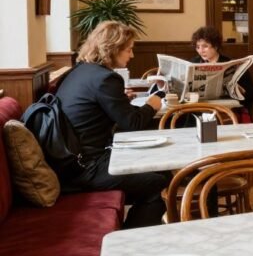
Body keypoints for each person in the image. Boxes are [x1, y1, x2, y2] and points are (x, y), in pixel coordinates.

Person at [55, 21, 168, 228]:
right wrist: (152, 105)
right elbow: (133, 124)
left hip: (69, 164)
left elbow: (101, 112)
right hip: (85, 169)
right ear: (112, 49)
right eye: (129, 49)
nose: (131, 55)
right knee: (158, 184)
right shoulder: (106, 78)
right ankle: (131, 240)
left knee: (160, 172)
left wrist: (119, 100)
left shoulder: (80, 71)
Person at [190, 26, 253, 114]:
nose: (201, 51)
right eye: (197, 47)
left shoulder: (232, 65)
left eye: (205, 46)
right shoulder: (193, 63)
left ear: (215, 46)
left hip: (225, 113)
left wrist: (240, 92)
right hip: (198, 109)